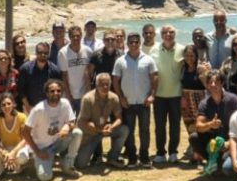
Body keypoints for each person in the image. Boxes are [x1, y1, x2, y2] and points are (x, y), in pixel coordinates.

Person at [22, 79, 83, 181]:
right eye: (52, 91)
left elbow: (72, 121)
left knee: (77, 133)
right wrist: (37, 152)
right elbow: (25, 132)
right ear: (46, 93)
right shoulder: (39, 109)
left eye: (59, 91)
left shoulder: (65, 103)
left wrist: (68, 126)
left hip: (58, 142)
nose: (56, 93)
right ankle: (36, 160)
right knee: (45, 177)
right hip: (43, 149)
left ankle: (68, 165)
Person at [113, 32, 158, 168]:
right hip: (128, 103)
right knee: (129, 132)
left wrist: (152, 95)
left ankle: (144, 157)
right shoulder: (120, 61)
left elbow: (155, 78)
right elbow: (115, 81)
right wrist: (121, 98)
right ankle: (132, 158)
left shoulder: (148, 59)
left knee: (144, 131)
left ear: (140, 43)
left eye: (136, 42)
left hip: (144, 102)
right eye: (131, 42)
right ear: (127, 44)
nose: (133, 44)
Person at [75, 73, 129, 169]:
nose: (105, 87)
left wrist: (111, 126)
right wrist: (99, 130)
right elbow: (82, 122)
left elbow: (119, 118)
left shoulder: (114, 97)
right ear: (96, 85)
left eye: (107, 84)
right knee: (81, 164)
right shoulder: (88, 99)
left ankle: (112, 158)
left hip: (105, 129)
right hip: (91, 133)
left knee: (124, 130)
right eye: (102, 84)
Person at [190, 70, 237, 171]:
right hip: (214, 142)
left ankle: (221, 162)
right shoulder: (204, 103)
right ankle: (212, 161)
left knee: (226, 168)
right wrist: (210, 125)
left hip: (231, 139)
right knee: (194, 137)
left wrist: (230, 142)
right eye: (210, 82)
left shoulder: (233, 100)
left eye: (216, 82)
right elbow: (198, 126)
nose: (213, 85)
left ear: (222, 83)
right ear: (207, 85)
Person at [153, 25, 184, 164]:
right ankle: (160, 152)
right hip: (159, 95)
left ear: (175, 34)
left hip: (176, 95)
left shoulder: (182, 49)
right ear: (161, 35)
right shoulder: (154, 50)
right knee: (159, 126)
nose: (168, 34)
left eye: (171, 32)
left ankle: (173, 152)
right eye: (165, 32)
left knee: (175, 126)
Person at [0, 92, 30, 178]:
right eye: (3, 105)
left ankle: (17, 166)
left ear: (13, 104)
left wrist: (12, 153)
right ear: (0, 107)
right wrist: (5, 154)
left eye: (9, 103)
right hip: (4, 149)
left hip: (18, 148)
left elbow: (25, 139)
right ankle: (2, 166)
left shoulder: (22, 117)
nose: (6, 106)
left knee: (22, 157)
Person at [179, 44, 210, 161]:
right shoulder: (183, 67)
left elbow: (208, 87)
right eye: (187, 55)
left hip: (199, 101)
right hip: (186, 102)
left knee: (200, 128)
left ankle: (200, 154)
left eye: (192, 55)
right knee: (189, 127)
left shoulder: (201, 68)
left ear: (196, 56)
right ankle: (195, 151)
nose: (189, 58)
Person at [17, 41, 62, 114]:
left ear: (49, 53)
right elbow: (21, 90)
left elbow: (59, 90)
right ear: (36, 53)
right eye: (40, 52)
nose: (43, 55)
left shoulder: (55, 70)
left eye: (46, 53)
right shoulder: (25, 69)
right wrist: (27, 107)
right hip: (30, 107)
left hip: (49, 107)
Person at [58, 24, 93, 114]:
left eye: (78, 36)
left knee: (83, 119)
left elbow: (89, 73)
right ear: (69, 37)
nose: (75, 38)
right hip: (70, 94)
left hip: (84, 93)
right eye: (73, 36)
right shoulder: (63, 53)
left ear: (81, 36)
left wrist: (89, 93)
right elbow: (64, 75)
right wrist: (68, 95)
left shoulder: (88, 51)